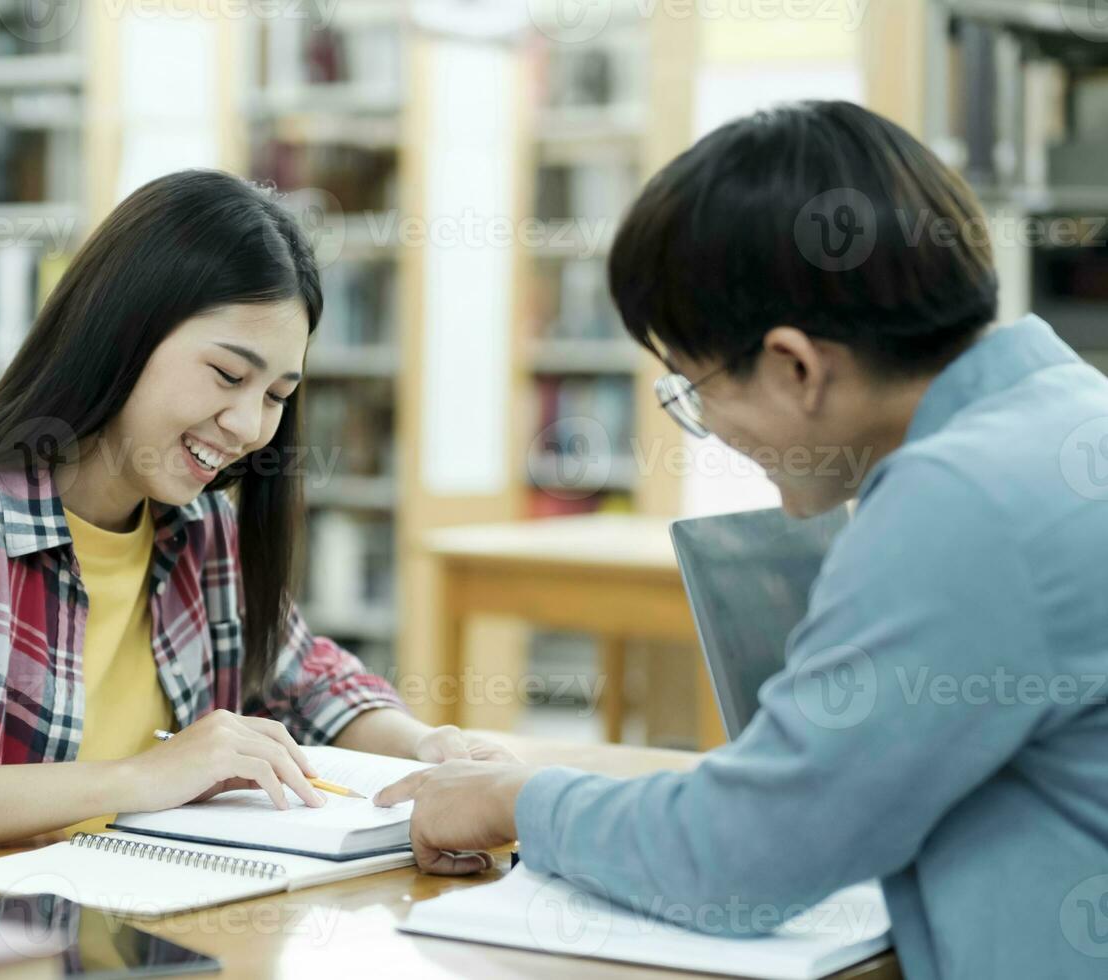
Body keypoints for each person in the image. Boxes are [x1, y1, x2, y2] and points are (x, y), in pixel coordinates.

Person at [374, 101, 1108, 979]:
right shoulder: (1064, 413)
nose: (709, 428)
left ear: (795, 367)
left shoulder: (960, 502)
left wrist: (515, 797)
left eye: (692, 387)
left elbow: (740, 860)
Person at [0, 169, 512, 858]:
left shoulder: (202, 531)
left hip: (151, 923)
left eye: (277, 396)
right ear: (124, 331)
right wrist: (140, 777)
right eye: (228, 375)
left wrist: (425, 749)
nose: (250, 426)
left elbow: (306, 681)